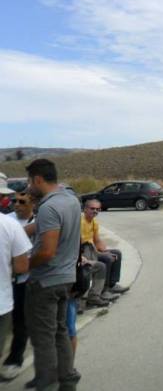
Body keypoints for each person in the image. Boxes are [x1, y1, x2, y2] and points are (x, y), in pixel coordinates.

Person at [24, 158, 81, 390]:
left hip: (45, 282)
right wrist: (15, 231)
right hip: (66, 279)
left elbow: (47, 252)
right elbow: (45, 226)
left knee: (43, 337)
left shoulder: (49, 207)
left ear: (38, 179)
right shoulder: (70, 200)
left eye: (30, 181)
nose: (29, 186)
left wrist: (25, 265)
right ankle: (67, 380)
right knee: (60, 332)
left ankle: (46, 383)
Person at [1, 192, 36, 380]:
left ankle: (15, 359)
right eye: (14, 201)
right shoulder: (8, 220)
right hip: (7, 280)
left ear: (33, 204)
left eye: (22, 202)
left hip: (24, 281)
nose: (16, 204)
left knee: (21, 322)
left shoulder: (41, 222)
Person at [80, 199, 129, 297]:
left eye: (97, 209)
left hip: (93, 250)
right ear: (85, 209)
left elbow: (97, 240)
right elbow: (82, 244)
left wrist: (105, 250)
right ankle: (103, 290)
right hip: (84, 252)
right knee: (107, 258)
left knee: (117, 253)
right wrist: (103, 254)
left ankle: (112, 285)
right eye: (92, 208)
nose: (95, 211)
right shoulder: (81, 222)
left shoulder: (94, 222)